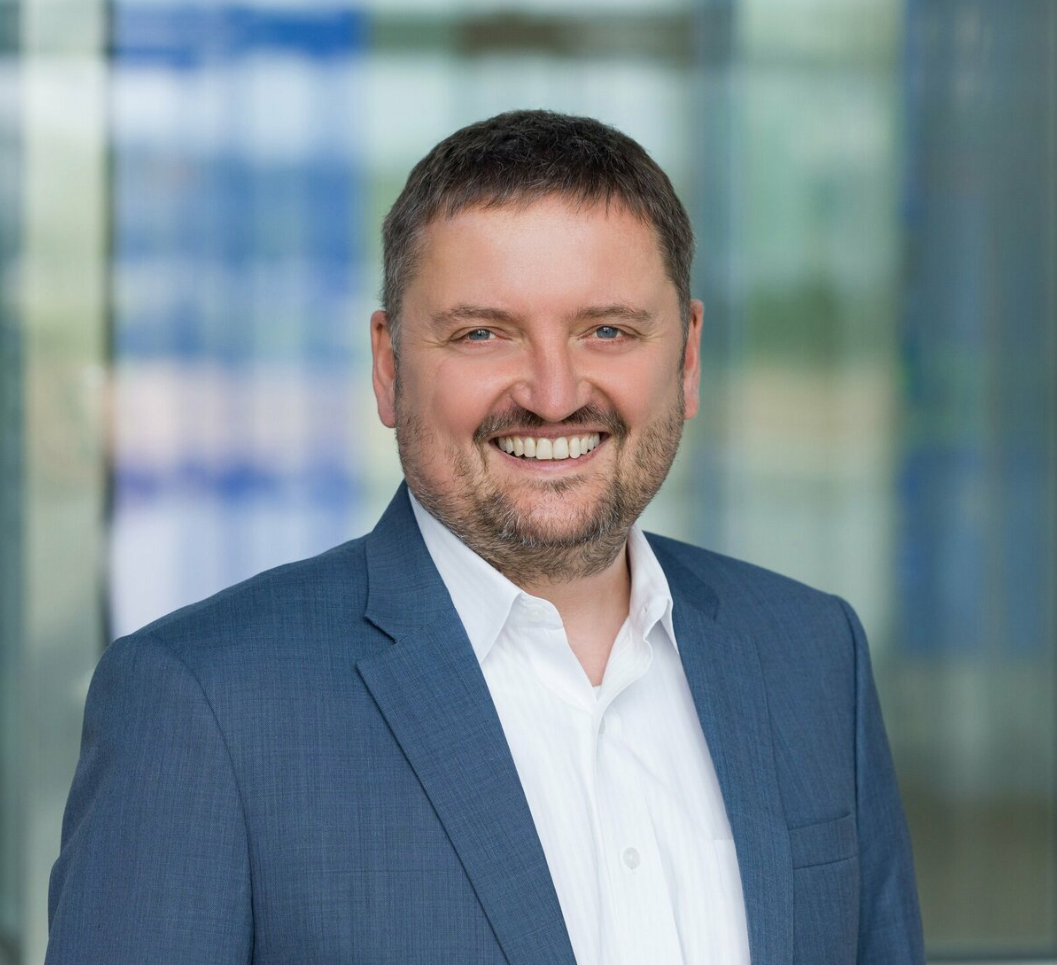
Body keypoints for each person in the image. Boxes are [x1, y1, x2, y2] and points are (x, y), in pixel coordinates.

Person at [46, 110, 925, 965]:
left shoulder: (811, 656)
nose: (552, 394)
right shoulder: (206, 706)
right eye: (482, 333)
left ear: (687, 358)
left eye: (607, 330)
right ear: (388, 366)